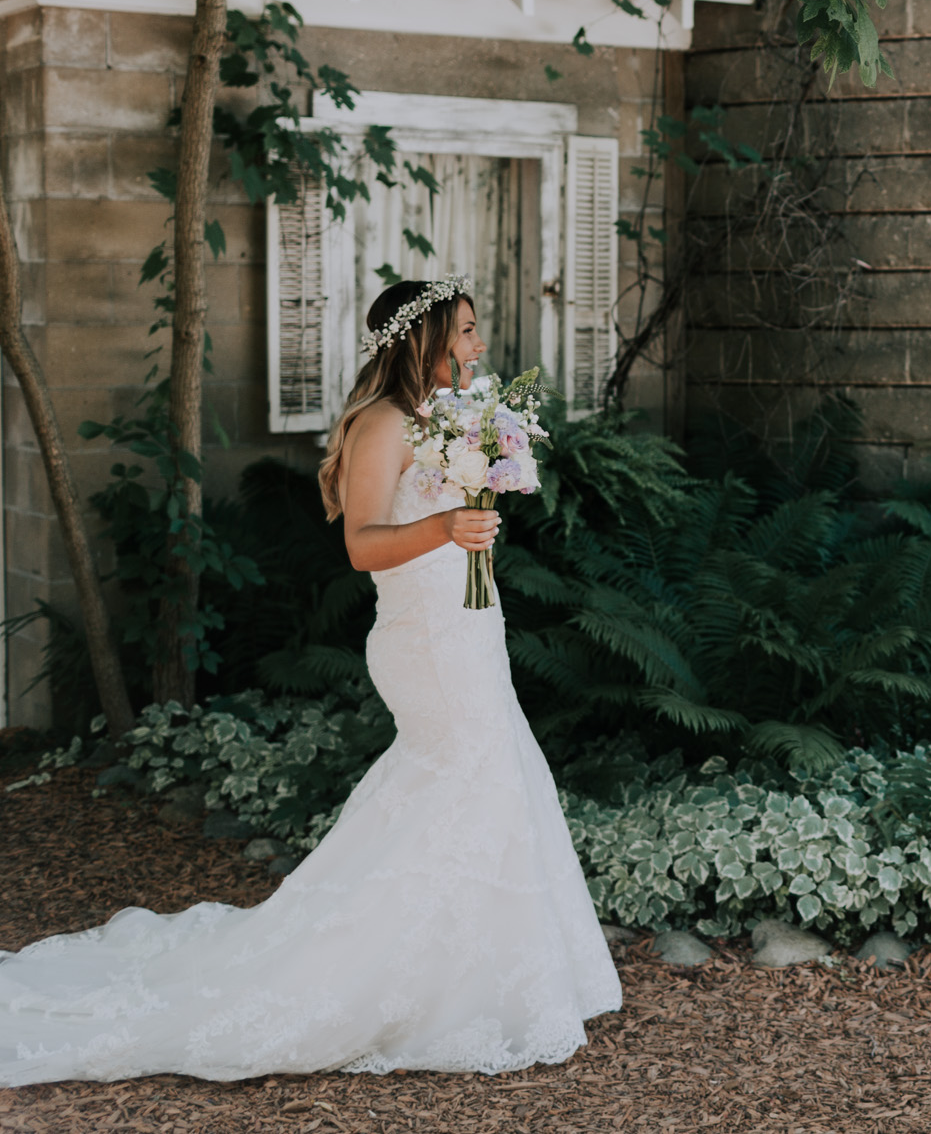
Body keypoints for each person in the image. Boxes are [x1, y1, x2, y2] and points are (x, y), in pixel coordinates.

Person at [0, 278, 619, 1085]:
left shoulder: (449, 418)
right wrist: (445, 524)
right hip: (423, 642)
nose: (475, 346)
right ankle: (383, 977)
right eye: (464, 332)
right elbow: (363, 544)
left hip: (469, 628)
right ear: (420, 338)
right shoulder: (381, 423)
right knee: (468, 773)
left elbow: (455, 524)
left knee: (484, 779)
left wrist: (478, 512)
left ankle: (479, 977)